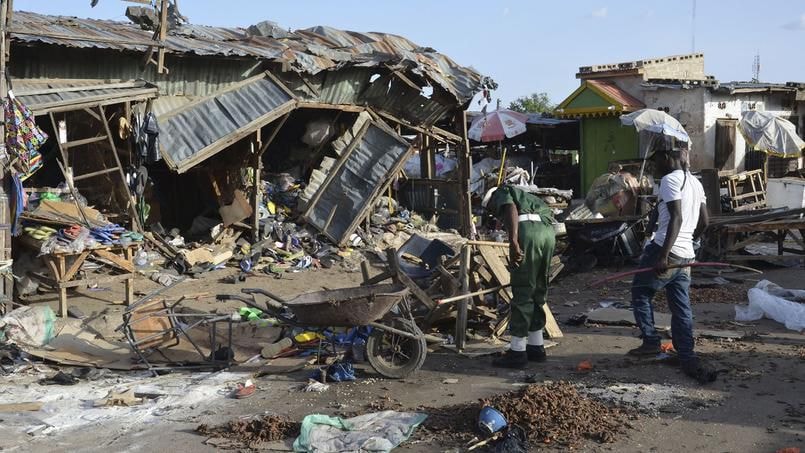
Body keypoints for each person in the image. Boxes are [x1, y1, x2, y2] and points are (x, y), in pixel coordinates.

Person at [629, 145, 714, 383]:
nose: (655, 166)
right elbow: (705, 221)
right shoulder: (696, 183)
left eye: (657, 161)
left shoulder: (669, 179)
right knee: (681, 306)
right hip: (686, 255)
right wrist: (690, 241)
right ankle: (686, 352)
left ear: (668, 158)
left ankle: (650, 342)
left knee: (640, 293)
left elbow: (676, 216)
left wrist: (664, 255)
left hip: (666, 250)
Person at [482, 185, 556, 369]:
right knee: (538, 290)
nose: (493, 213)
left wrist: (514, 241)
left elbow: (509, 207)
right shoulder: (527, 198)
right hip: (547, 234)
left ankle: (517, 352)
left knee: (523, 289)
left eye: (491, 209)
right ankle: (536, 347)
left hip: (528, 234)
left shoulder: (501, 192)